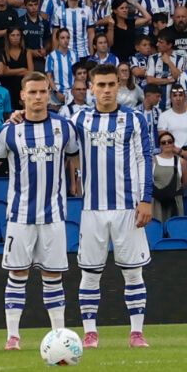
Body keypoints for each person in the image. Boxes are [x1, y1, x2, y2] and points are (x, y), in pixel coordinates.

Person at [0, 72, 79, 350]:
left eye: (42, 92)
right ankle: (13, 337)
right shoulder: (11, 131)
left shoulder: (64, 128)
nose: (37, 97)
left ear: (49, 94)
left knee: (53, 276)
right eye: (32, 92)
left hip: (54, 216)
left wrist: (77, 183)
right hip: (20, 217)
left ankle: (60, 336)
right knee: (17, 275)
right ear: (22, 95)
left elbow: (76, 158)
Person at [69, 64, 153, 349]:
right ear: (91, 87)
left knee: (133, 272)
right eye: (100, 85)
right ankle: (90, 333)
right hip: (92, 209)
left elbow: (144, 160)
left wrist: (146, 199)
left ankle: (136, 333)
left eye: (111, 84)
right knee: (90, 273)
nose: (106, 90)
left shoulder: (136, 120)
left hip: (127, 207)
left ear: (119, 85)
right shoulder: (79, 120)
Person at [158, 83, 187, 150]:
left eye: (180, 95)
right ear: (170, 98)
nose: (178, 98)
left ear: (185, 97)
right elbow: (163, 139)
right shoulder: (164, 116)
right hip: (172, 153)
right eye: (175, 96)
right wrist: (178, 152)